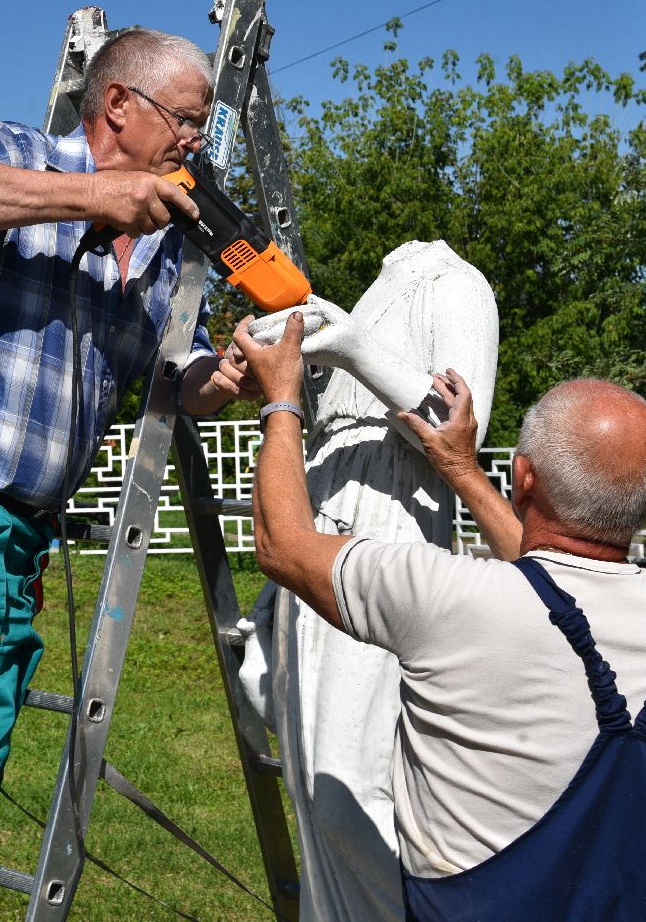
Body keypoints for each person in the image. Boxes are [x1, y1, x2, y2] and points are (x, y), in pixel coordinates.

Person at [0, 27, 255, 921]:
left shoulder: (172, 250)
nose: (196, 142)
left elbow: (172, 382)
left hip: (9, 530)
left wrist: (224, 380)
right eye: (187, 120)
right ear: (117, 106)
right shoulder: (22, 155)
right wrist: (96, 195)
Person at [237, 311, 646, 922]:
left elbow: (283, 544)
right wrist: (461, 469)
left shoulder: (448, 596)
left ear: (524, 476)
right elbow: (561, 571)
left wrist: (281, 398)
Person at [236, 242, 499, 921]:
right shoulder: (378, 289)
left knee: (345, 789)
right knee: (306, 771)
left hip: (385, 533)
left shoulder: (455, 283)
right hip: (324, 522)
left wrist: (353, 346)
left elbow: (456, 431)